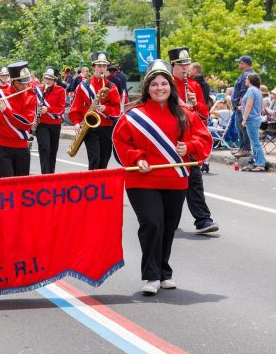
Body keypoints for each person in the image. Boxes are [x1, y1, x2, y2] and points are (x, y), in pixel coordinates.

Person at [113, 59, 212, 295]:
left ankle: (163, 272)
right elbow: (120, 142)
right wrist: (137, 158)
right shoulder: (133, 115)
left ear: (170, 86)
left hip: (175, 179)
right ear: (147, 87)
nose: (160, 88)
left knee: (168, 226)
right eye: (155, 84)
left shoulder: (185, 114)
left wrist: (188, 147)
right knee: (152, 223)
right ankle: (151, 275)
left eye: (164, 84)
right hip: (142, 180)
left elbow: (204, 139)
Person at [168, 47, 218, 234]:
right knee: (172, 183)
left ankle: (203, 219)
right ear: (173, 65)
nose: (185, 67)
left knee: (194, 179)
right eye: (181, 64)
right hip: (169, 139)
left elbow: (204, 114)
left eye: (187, 64)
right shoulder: (165, 83)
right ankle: (169, 220)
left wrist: (195, 103)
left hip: (188, 140)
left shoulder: (195, 85)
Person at [0, 61, 37, 178]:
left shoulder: (31, 96)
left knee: (21, 187)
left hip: (21, 147)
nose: (25, 86)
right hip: (1, 146)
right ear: (13, 81)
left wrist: (6, 110)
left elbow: (26, 123)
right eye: (21, 83)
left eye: (27, 82)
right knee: (7, 186)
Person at [68, 52, 120, 170]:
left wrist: (105, 109)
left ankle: (101, 186)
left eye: (104, 66)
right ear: (93, 67)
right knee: (95, 159)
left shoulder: (112, 87)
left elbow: (117, 110)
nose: (102, 69)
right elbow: (76, 107)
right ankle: (92, 186)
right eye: (99, 66)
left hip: (106, 127)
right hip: (90, 128)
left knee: (104, 160)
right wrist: (76, 123)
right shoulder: (83, 86)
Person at [33, 66, 66, 174]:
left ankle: (51, 175)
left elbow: (61, 109)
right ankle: (45, 174)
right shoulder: (38, 90)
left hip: (55, 125)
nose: (47, 81)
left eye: (50, 79)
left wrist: (48, 109)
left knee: (52, 151)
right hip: (42, 124)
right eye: (46, 78)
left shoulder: (61, 91)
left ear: (55, 80)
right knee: (45, 148)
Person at [241, 74, 266, 172]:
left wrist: (244, 118)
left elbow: (249, 104)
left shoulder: (251, 90)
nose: (245, 80)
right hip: (256, 118)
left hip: (251, 119)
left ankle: (260, 163)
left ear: (250, 80)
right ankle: (257, 162)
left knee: (255, 143)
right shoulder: (258, 90)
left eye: (246, 79)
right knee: (255, 142)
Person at [232, 55, 255, 157]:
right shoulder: (247, 73)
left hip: (242, 107)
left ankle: (246, 149)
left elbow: (244, 92)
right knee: (240, 128)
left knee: (243, 128)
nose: (238, 64)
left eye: (240, 62)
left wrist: (240, 105)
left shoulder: (248, 74)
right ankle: (242, 148)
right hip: (240, 107)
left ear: (244, 64)